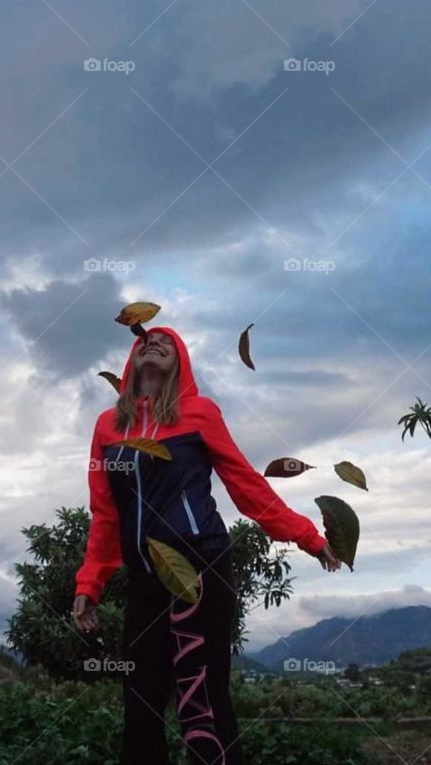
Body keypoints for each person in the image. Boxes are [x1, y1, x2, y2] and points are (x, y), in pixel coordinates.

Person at [72, 325, 340, 764]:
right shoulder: (107, 427)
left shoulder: (199, 413)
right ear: (131, 363)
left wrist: (306, 535)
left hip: (202, 570)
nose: (152, 343)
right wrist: (90, 583)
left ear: (181, 363)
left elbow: (245, 482)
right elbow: (105, 514)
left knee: (203, 701)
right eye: (144, 342)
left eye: (166, 343)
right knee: (140, 700)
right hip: (145, 579)